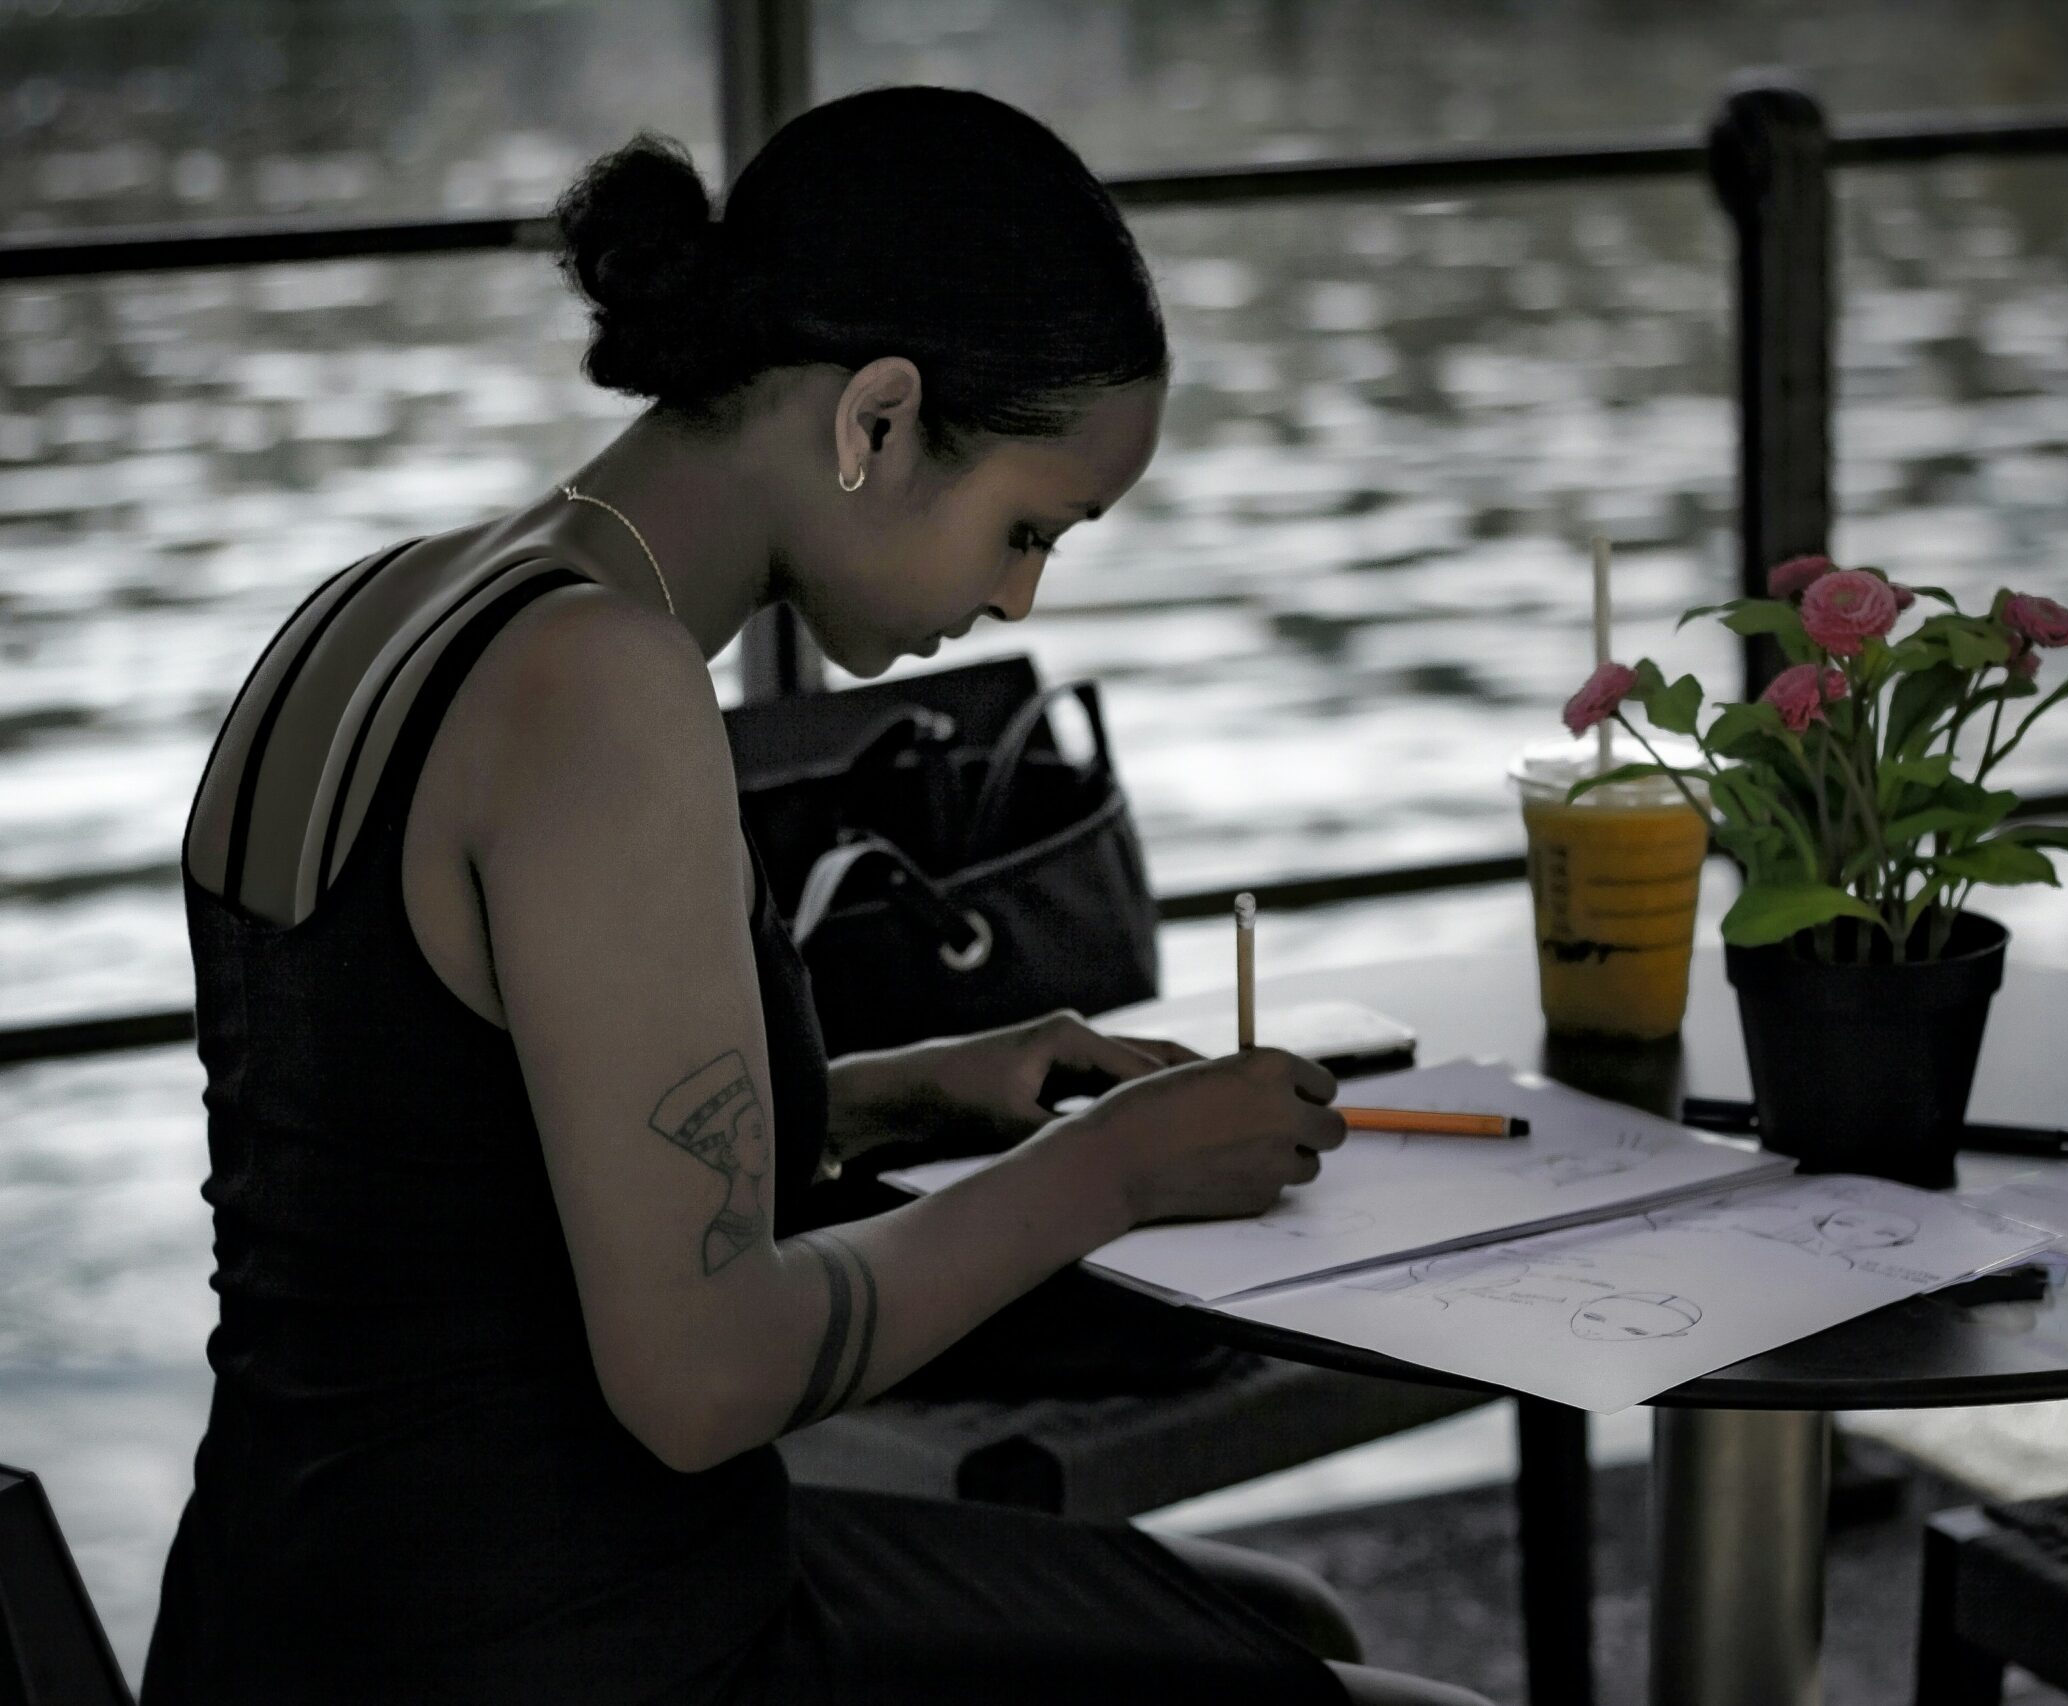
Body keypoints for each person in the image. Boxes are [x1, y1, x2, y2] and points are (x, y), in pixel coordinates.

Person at [143, 86, 1492, 1706]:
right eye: (1027, 528)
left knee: (1285, 1622)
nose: (1016, 598)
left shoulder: (380, 609)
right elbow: (703, 1376)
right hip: (570, 1645)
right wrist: (1110, 1170)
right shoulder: (603, 689)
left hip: (287, 1618)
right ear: (876, 420)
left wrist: (898, 1091)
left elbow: (438, 1166)